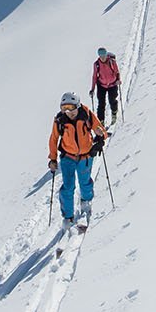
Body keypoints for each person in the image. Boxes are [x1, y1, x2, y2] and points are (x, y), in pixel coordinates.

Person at [48, 91, 107, 228]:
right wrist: (53, 159)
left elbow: (101, 130)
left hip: (85, 156)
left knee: (85, 182)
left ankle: (86, 201)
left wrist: (101, 135)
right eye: (65, 108)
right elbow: (53, 139)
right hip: (68, 157)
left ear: (78, 105)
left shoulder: (86, 114)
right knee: (68, 187)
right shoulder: (59, 120)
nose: (69, 112)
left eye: (71, 107)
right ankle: (68, 216)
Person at [90, 48, 121, 123]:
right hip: (101, 85)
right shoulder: (96, 64)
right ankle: (101, 121)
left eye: (104, 55)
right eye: (101, 56)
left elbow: (117, 72)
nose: (102, 57)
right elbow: (94, 76)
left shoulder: (112, 62)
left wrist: (118, 80)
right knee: (101, 104)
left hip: (112, 84)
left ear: (106, 55)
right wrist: (92, 89)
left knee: (112, 100)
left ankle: (114, 113)